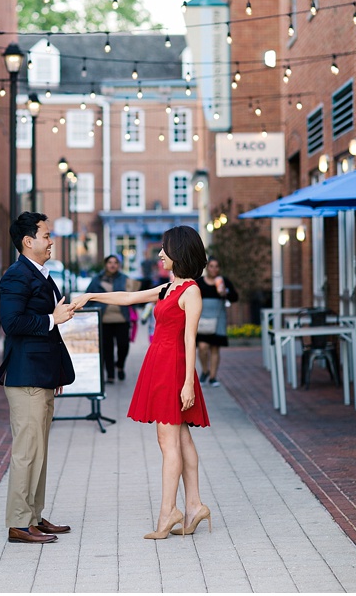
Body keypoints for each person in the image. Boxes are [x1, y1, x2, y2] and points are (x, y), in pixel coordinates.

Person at [71, 226, 213, 539]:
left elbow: (190, 340)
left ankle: (168, 512)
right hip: (161, 363)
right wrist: (91, 295)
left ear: (179, 252)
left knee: (168, 440)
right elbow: (129, 297)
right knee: (182, 437)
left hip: (174, 368)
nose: (160, 254)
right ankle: (194, 506)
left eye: (165, 249)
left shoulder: (191, 291)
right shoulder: (169, 288)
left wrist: (188, 383)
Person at [0, 211, 78, 545]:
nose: (51, 240)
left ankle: (33, 516)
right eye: (45, 235)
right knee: (27, 451)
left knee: (39, 450)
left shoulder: (40, 273)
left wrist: (54, 369)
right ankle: (18, 523)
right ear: (28, 241)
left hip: (41, 373)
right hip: (25, 375)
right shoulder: (16, 275)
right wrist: (51, 318)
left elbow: (48, 326)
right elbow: (11, 324)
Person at [84, 255, 133, 383]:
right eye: (110, 262)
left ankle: (120, 365)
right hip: (104, 319)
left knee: (124, 346)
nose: (112, 265)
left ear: (119, 265)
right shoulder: (97, 280)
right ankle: (110, 374)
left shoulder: (124, 279)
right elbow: (87, 297)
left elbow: (133, 295)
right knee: (107, 348)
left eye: (115, 262)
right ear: (105, 264)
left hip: (122, 318)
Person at [195, 257, 239, 387]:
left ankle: (213, 377)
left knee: (215, 348)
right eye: (211, 266)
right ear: (207, 267)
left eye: (216, 266)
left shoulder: (223, 281)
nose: (214, 269)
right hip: (202, 318)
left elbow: (235, 297)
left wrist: (225, 292)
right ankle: (205, 370)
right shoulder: (200, 282)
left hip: (218, 317)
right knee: (202, 347)